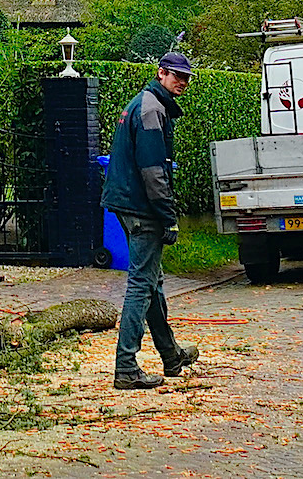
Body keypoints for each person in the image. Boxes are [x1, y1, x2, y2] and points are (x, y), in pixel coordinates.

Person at [100, 50, 203, 388]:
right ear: (161, 74)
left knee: (152, 282)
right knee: (142, 285)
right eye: (177, 76)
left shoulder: (145, 103)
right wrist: (168, 217)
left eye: (186, 77)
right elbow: (153, 171)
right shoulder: (151, 109)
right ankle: (126, 368)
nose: (182, 82)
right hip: (142, 209)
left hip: (128, 204)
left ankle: (171, 355)